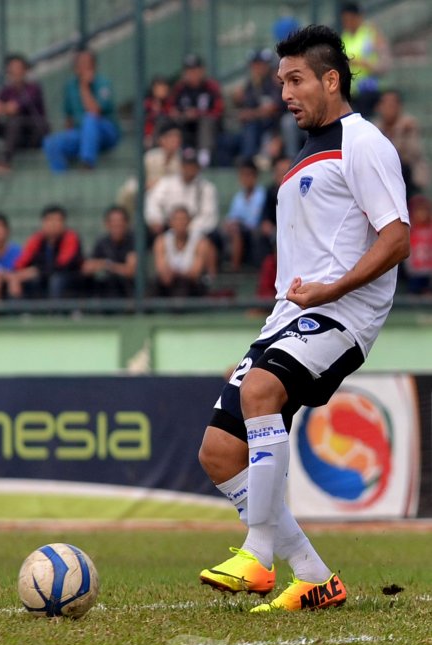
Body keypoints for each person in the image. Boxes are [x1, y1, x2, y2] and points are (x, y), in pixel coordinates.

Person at [198, 25, 410, 613]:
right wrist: (267, 338)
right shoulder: (306, 152)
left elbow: (396, 238)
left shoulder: (362, 142)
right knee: (218, 451)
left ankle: (258, 554)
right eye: (280, 82)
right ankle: (314, 577)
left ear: (331, 79)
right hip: (290, 318)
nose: (285, 93)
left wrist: (332, 290)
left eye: (295, 80)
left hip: (342, 315)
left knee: (260, 392)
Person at [43, 48, 119, 172]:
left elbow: (95, 112)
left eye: (87, 64)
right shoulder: (70, 86)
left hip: (106, 132)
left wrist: (84, 87)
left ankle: (87, 163)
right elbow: (69, 117)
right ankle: (61, 178)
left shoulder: (103, 83)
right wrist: (69, 137)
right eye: (80, 64)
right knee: (51, 143)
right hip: (82, 133)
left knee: (90, 119)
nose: (84, 67)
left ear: (94, 66)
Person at [0, 54, 48, 175]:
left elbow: (13, 108)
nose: (13, 72)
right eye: (11, 68)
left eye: (17, 68)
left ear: (25, 71)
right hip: (14, 135)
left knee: (15, 119)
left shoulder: (33, 88)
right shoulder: (6, 91)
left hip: (33, 135)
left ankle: (5, 161)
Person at [145, 147, 219, 240]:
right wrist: (157, 218)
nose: (189, 168)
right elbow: (152, 201)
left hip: (195, 232)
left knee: (214, 237)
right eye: (186, 165)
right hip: (168, 227)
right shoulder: (167, 183)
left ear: (198, 167)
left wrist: (185, 227)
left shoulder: (207, 188)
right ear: (181, 165)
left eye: (192, 165)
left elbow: (209, 217)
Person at [10, 205, 82, 299]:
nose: (53, 224)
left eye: (58, 220)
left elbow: (63, 265)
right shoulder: (37, 239)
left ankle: (55, 308)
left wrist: (37, 271)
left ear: (64, 223)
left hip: (69, 278)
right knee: (16, 280)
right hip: (42, 277)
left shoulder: (70, 238)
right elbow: (20, 263)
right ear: (43, 223)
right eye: (49, 220)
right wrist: (17, 275)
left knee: (56, 280)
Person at [168, 54, 224, 167]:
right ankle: (182, 154)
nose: (192, 74)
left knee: (206, 122)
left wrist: (198, 113)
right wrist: (180, 114)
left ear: (202, 70)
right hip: (185, 123)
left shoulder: (211, 86)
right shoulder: (180, 88)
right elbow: (170, 107)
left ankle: (204, 158)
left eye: (195, 70)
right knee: (171, 122)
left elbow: (218, 111)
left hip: (207, 125)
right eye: (189, 70)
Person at [116, 121, 182, 215]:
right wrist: (145, 184)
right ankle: (126, 219)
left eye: (177, 136)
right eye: (171, 136)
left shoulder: (183, 159)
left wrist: (157, 183)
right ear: (161, 140)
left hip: (171, 195)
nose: (175, 140)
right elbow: (136, 177)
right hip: (148, 189)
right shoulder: (151, 156)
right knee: (128, 190)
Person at [374, 89, 429, 199]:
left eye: (393, 104)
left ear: (399, 106)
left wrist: (398, 133)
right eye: (386, 104)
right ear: (379, 107)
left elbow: (413, 153)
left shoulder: (409, 124)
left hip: (408, 175)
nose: (389, 108)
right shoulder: (374, 127)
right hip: (383, 174)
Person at [341, 2, 391, 119]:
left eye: (350, 19)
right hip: (352, 89)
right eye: (345, 20)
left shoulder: (371, 33)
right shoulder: (345, 36)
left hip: (370, 88)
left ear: (358, 17)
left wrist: (364, 63)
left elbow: (384, 64)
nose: (347, 23)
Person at [232, 48, 284, 161]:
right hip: (259, 126)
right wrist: (237, 101)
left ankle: (249, 161)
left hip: (277, 127)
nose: (257, 67)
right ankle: (248, 162)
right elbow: (245, 108)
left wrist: (251, 114)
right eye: (254, 64)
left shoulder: (275, 81)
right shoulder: (252, 84)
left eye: (260, 64)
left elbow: (272, 109)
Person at [152, 206, 215, 297]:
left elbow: (195, 274)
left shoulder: (200, 242)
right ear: (171, 222)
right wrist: (172, 274)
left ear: (189, 222)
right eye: (177, 219)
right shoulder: (161, 241)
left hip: (190, 286)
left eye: (183, 219)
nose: (180, 223)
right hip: (168, 286)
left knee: (185, 285)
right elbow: (163, 272)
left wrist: (176, 273)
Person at [82, 205, 137, 297]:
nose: (117, 226)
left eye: (120, 222)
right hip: (106, 288)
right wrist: (101, 265)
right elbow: (87, 267)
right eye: (113, 223)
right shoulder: (102, 242)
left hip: (127, 290)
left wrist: (108, 265)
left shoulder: (133, 241)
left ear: (126, 223)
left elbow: (130, 271)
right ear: (107, 224)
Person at [222, 158, 266, 270]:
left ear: (255, 176)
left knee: (237, 232)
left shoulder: (262, 195)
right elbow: (231, 217)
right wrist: (229, 224)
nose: (246, 178)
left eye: (248, 175)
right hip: (239, 229)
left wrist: (237, 223)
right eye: (243, 175)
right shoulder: (238, 196)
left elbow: (254, 221)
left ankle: (234, 268)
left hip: (254, 232)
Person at [403, 195, 432, 294]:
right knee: (413, 291)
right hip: (415, 270)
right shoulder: (411, 230)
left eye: (424, 211)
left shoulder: (430, 230)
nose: (421, 214)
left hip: (428, 270)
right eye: (418, 211)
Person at [143, 76, 171, 149]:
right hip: (150, 138)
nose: (162, 91)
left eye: (164, 88)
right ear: (153, 89)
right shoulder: (147, 104)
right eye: (159, 88)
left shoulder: (169, 104)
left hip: (167, 137)